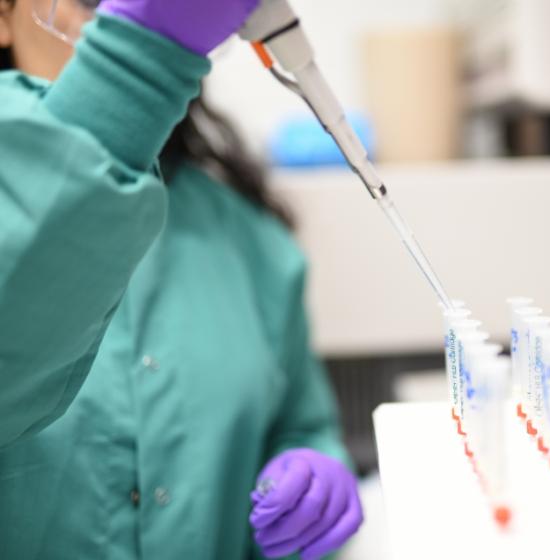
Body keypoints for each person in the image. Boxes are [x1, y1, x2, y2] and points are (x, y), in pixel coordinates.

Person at [0, 0, 363, 558]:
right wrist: (137, 66)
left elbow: (301, 424)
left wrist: (313, 472)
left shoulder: (249, 238)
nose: (114, 10)